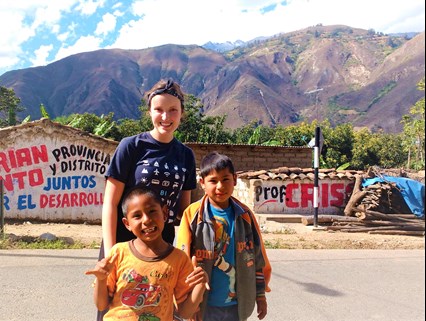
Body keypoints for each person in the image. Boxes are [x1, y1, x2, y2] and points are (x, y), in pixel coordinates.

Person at [97, 78, 197, 319]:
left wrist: (185, 254)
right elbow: (111, 204)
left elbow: (185, 213)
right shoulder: (131, 146)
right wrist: (111, 253)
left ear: (182, 113)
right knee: (113, 308)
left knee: (156, 309)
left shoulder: (185, 155)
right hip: (123, 244)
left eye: (173, 110)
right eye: (159, 109)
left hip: (162, 249)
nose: (166, 116)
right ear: (150, 112)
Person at [86, 186, 209, 320]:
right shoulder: (118, 252)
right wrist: (101, 279)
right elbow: (101, 305)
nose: (146, 220)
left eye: (152, 211)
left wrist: (200, 286)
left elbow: (184, 313)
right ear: (127, 224)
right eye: (137, 216)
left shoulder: (179, 259)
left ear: (165, 213)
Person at [176, 152, 272, 321]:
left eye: (225, 179)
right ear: (202, 183)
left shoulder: (245, 216)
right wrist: (189, 302)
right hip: (203, 304)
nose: (220, 186)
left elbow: (257, 258)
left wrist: (260, 296)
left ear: (234, 179)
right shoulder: (192, 214)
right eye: (213, 181)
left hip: (238, 305)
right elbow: (181, 261)